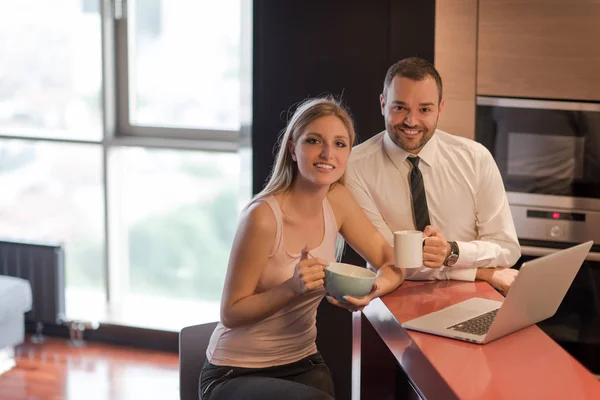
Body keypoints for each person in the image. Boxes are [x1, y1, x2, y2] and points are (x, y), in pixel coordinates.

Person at [199, 97, 405, 400]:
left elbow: (391, 261)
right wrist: (291, 288)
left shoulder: (338, 200)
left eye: (339, 144)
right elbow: (230, 312)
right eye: (314, 141)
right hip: (235, 371)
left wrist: (372, 290)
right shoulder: (263, 217)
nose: (327, 154)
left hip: (302, 361)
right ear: (293, 148)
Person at [345, 57, 521, 295]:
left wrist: (452, 251)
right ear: (382, 104)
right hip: (391, 297)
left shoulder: (476, 158)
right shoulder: (354, 166)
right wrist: (480, 271)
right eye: (400, 108)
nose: (411, 121)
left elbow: (507, 249)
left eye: (425, 109)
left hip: (474, 297)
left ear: (440, 108)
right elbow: (392, 260)